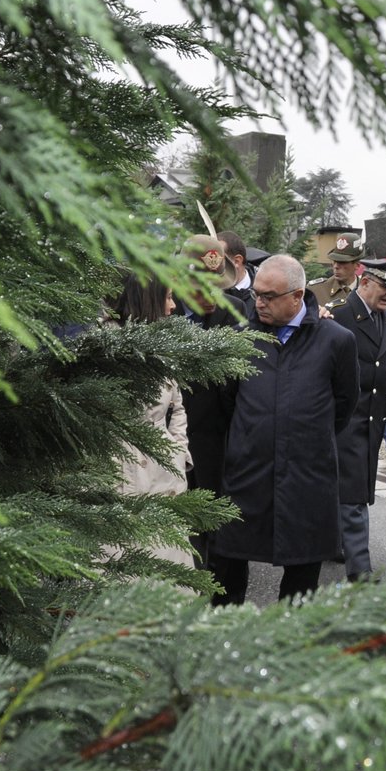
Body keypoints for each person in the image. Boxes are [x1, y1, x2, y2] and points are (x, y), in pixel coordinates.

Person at [212, 254, 358, 603]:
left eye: (269, 296)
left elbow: (343, 405)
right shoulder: (238, 339)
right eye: (257, 293)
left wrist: (303, 436)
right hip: (247, 474)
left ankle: (287, 652)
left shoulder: (336, 340)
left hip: (307, 477)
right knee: (227, 573)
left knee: (301, 584)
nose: (258, 302)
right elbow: (226, 403)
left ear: (297, 295)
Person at [175, 234, 253, 579]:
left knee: (210, 530)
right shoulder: (161, 311)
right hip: (165, 445)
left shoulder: (232, 314)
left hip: (214, 445)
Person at [106, 272, 194, 569]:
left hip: (164, 475)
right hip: (122, 477)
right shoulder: (104, 350)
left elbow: (178, 407)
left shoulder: (159, 346)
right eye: (167, 297)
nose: (173, 306)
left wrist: (178, 452)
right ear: (146, 301)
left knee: (169, 582)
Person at [329, 258, 386, 581]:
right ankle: (360, 569)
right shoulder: (337, 316)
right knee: (353, 497)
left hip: (372, 424)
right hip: (342, 422)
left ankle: (333, 544)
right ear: (365, 282)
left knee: (348, 490)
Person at [309, 232, 364, 306]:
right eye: (334, 261)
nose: (336, 266)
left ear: (357, 265)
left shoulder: (368, 292)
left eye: (342, 262)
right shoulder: (316, 290)